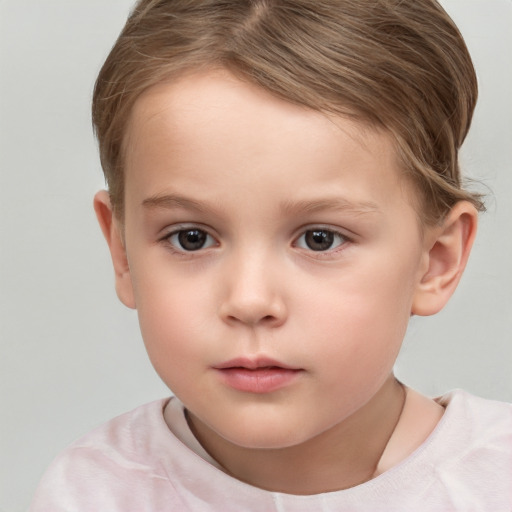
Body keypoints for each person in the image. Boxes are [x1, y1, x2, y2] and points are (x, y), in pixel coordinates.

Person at [29, 0, 512, 510]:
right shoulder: (91, 494)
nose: (250, 300)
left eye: (319, 238)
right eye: (191, 237)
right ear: (122, 251)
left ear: (435, 260)